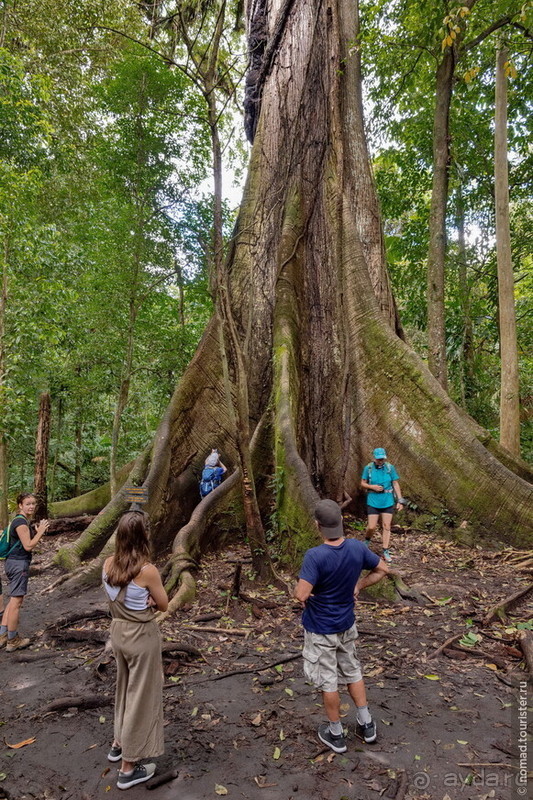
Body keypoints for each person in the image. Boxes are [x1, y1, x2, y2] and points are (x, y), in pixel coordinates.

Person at [294, 499, 389, 753]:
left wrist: (302, 589)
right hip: (347, 624)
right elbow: (382, 569)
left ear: (318, 526)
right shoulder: (357, 548)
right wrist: (358, 585)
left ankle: (336, 734)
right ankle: (366, 723)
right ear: (341, 522)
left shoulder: (315, 555)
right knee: (352, 671)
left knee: (329, 681)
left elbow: (301, 594)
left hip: (321, 628)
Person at [102, 511, 168, 790]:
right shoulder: (147, 570)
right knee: (141, 696)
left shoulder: (106, 564)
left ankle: (119, 742)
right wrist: (150, 601)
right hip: (141, 636)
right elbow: (164, 604)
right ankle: (129, 767)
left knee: (125, 689)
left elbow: (117, 596)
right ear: (144, 536)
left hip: (118, 633)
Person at [0, 492, 49, 651]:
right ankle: (13, 640)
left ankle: (2, 636)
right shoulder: (20, 522)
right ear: (20, 505)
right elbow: (28, 546)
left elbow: (23, 542)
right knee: (16, 602)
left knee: (12, 601)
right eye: (28, 503)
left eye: (33, 503)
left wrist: (35, 531)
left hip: (13, 563)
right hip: (18, 564)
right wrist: (41, 531)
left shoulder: (20, 521)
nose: (31, 506)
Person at [360, 447, 406, 563]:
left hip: (387, 500)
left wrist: (400, 500)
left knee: (386, 526)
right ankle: (367, 541)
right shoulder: (368, 468)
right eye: (379, 459)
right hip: (373, 501)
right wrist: (372, 487)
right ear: (374, 458)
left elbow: (395, 483)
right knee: (371, 526)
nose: (381, 461)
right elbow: (362, 483)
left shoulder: (390, 468)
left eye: (382, 459)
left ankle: (385, 550)